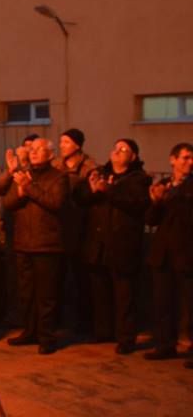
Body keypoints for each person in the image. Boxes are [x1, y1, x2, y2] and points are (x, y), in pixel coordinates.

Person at [81, 138, 151, 355]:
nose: (117, 152)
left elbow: (136, 205)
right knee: (100, 291)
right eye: (115, 148)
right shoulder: (99, 172)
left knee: (124, 295)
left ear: (133, 156)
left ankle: (126, 337)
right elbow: (80, 199)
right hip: (98, 243)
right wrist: (93, 191)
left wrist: (108, 191)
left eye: (124, 149)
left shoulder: (139, 179)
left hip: (123, 244)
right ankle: (103, 331)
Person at [1, 138, 68, 354]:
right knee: (26, 292)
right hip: (23, 243)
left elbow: (55, 203)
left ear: (50, 154)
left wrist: (28, 188)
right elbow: (8, 203)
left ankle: (46, 336)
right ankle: (29, 331)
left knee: (46, 295)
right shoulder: (23, 175)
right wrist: (20, 191)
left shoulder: (59, 177)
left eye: (40, 149)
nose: (34, 152)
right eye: (31, 149)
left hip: (47, 244)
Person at [144, 142, 193, 362]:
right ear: (172, 160)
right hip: (163, 253)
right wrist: (156, 202)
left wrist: (172, 199)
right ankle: (165, 344)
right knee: (162, 301)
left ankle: (189, 346)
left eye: (191, 158)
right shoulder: (163, 184)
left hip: (186, 251)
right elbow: (151, 220)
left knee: (188, 304)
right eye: (185, 158)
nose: (189, 162)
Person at [53, 128, 96, 333]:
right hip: (58, 226)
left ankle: (85, 322)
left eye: (66, 142)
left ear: (77, 145)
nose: (62, 146)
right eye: (61, 142)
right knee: (58, 278)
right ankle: (59, 319)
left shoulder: (89, 167)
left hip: (80, 226)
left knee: (82, 278)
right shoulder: (55, 165)